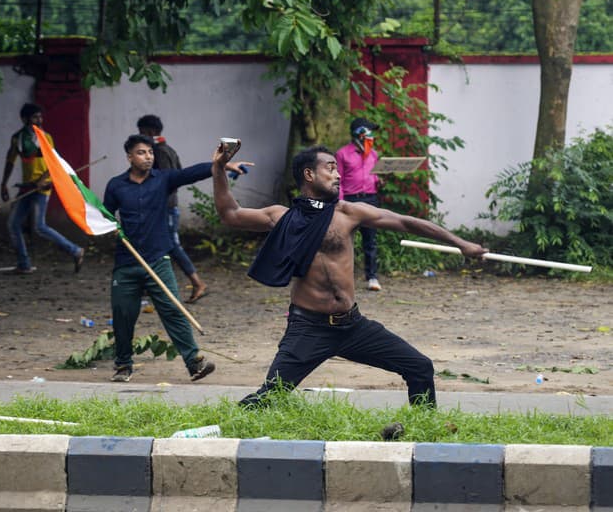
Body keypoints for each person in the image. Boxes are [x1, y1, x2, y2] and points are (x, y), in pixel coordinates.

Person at [211, 140, 486, 407]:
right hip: (308, 328)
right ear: (309, 174)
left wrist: (460, 243)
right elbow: (230, 214)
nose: (338, 175)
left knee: (420, 367)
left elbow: (405, 222)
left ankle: (424, 431)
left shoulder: (348, 213)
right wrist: (218, 169)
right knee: (269, 397)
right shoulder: (281, 217)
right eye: (330, 168)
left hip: (352, 326)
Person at [102, 134, 249, 382]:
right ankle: (123, 366)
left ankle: (194, 363)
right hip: (127, 263)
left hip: (158, 260)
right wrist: (109, 226)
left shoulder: (163, 179)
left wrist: (220, 165)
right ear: (129, 157)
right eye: (141, 152)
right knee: (122, 315)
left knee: (173, 310)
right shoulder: (116, 185)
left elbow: (190, 173)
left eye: (150, 152)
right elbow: (105, 214)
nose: (148, 157)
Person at [0, 103, 84, 273]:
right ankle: (24, 264)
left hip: (42, 188)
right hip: (26, 187)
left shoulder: (46, 137)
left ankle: (75, 250)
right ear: (24, 119)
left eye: (40, 117)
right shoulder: (17, 138)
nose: (39, 120)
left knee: (39, 226)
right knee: (13, 224)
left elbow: (54, 162)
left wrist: (43, 179)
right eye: (34, 117)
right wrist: (3, 183)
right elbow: (10, 161)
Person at [136, 114, 208, 303]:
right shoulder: (166, 149)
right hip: (163, 206)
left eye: (142, 132)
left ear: (151, 132)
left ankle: (197, 282)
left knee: (171, 245)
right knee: (152, 244)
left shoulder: (160, 152)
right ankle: (149, 284)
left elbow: (170, 179)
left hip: (165, 207)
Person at [335, 117, 382, 291]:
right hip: (350, 199)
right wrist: (339, 202)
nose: (371, 135)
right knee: (344, 240)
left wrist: (379, 182)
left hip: (370, 198)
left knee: (370, 240)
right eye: (369, 131)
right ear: (360, 133)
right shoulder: (342, 154)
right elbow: (337, 178)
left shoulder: (373, 153)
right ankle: (342, 278)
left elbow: (374, 176)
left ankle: (372, 277)